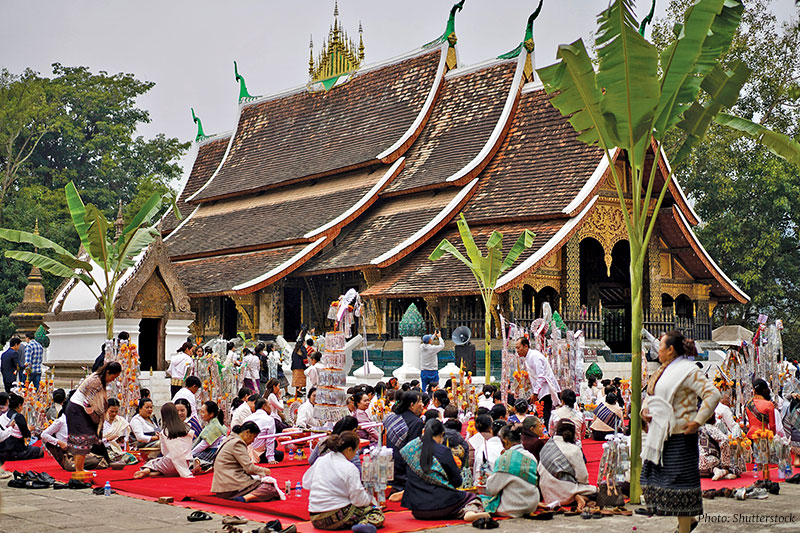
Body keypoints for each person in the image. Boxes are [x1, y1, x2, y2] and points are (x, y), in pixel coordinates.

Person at [640, 330, 720, 533]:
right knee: (658, 481)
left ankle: (684, 529)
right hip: (662, 435)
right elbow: (650, 396)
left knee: (681, 487)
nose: (657, 351)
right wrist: (645, 412)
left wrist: (697, 421)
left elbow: (712, 394)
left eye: (660, 347)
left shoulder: (688, 370)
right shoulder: (663, 371)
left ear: (670, 349)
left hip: (681, 435)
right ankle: (689, 521)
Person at [400, 419, 489, 522]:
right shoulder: (443, 451)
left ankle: (465, 512)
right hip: (442, 505)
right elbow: (457, 481)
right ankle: (469, 512)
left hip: (417, 509)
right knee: (471, 498)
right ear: (442, 434)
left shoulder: (410, 449)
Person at [303, 431, 385, 531]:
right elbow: (358, 500)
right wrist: (370, 501)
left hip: (314, 516)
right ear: (349, 450)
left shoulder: (321, 460)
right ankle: (364, 525)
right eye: (355, 451)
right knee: (375, 512)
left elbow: (306, 483)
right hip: (334, 515)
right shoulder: (349, 468)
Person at [65, 362, 121, 474]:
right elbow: (87, 403)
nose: (112, 380)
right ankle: (79, 470)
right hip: (78, 409)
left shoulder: (98, 378)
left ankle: (79, 469)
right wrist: (94, 417)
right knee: (82, 439)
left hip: (79, 409)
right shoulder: (96, 382)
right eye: (113, 377)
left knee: (85, 439)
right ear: (108, 372)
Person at [211, 421, 281, 502]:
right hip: (231, 487)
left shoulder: (230, 439)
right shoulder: (238, 443)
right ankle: (244, 498)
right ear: (247, 432)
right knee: (270, 489)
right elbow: (249, 468)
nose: (252, 441)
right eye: (253, 437)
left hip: (223, 486)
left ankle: (246, 497)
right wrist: (264, 471)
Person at [481, 424, 540, 517]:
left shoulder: (504, 459)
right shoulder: (530, 456)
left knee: (480, 499)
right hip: (532, 505)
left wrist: (491, 477)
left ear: (505, 441)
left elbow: (491, 489)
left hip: (512, 507)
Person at [537, 420, 596, 508]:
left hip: (547, 496)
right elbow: (583, 477)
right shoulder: (574, 449)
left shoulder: (546, 446)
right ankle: (580, 497)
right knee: (597, 491)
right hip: (566, 494)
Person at [135, 402, 198, 478]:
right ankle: (158, 472)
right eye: (147, 407)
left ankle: (149, 471)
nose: (149, 409)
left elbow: (164, 451)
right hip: (185, 463)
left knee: (152, 463)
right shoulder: (188, 428)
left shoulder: (162, 429)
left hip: (169, 461)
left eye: (151, 407)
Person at [384, 391, 424, 492]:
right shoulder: (416, 422)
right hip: (402, 473)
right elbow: (412, 451)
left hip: (388, 467)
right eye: (420, 402)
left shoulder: (391, 416)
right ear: (412, 405)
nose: (423, 405)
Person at [516, 337, 560, 426]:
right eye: (516, 348)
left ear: (526, 346)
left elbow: (541, 376)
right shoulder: (528, 358)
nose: (517, 350)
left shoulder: (534, 356)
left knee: (545, 417)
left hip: (546, 391)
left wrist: (535, 393)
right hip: (540, 392)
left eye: (518, 347)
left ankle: (546, 437)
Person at [0, 392, 44, 461]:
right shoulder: (19, 417)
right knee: (39, 451)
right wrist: (30, 429)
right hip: (16, 450)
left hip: (2, 449)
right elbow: (26, 435)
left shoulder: (3, 415)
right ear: (19, 405)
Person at [245, 398, 282, 464]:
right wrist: (271, 458)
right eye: (269, 405)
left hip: (246, 452)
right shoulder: (269, 419)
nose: (270, 408)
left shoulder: (248, 418)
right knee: (280, 455)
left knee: (275, 444)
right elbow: (270, 439)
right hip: (259, 453)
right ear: (264, 406)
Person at [192, 400, 226, 466]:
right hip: (215, 450)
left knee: (193, 458)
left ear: (211, 414)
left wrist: (190, 454)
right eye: (200, 411)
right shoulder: (214, 424)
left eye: (203, 412)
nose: (201, 414)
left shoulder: (214, 427)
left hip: (214, 452)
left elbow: (203, 445)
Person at [103, 398, 134, 464]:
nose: (114, 414)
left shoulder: (121, 421)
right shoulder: (100, 421)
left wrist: (121, 441)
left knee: (132, 458)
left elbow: (126, 439)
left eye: (116, 412)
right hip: (102, 449)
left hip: (117, 450)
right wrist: (107, 439)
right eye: (111, 411)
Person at [291, 328, 309, 394]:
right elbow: (305, 358)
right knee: (301, 380)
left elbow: (292, 357)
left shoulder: (295, 349)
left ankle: (297, 392)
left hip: (294, 366)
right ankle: (298, 391)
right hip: (301, 366)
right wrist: (307, 366)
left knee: (296, 381)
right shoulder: (303, 349)